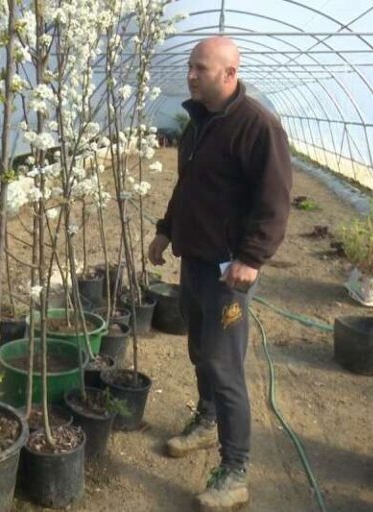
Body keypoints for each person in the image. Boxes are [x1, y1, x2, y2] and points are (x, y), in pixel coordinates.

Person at [148, 37, 292, 511]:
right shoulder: (199, 124)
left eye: (201, 68)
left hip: (229, 270)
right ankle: (207, 420)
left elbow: (274, 201)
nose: (191, 75)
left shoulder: (257, 127)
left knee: (224, 365)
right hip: (195, 259)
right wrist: (166, 231)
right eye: (191, 66)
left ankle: (236, 470)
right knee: (197, 349)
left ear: (230, 73)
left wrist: (252, 258)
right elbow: (187, 186)